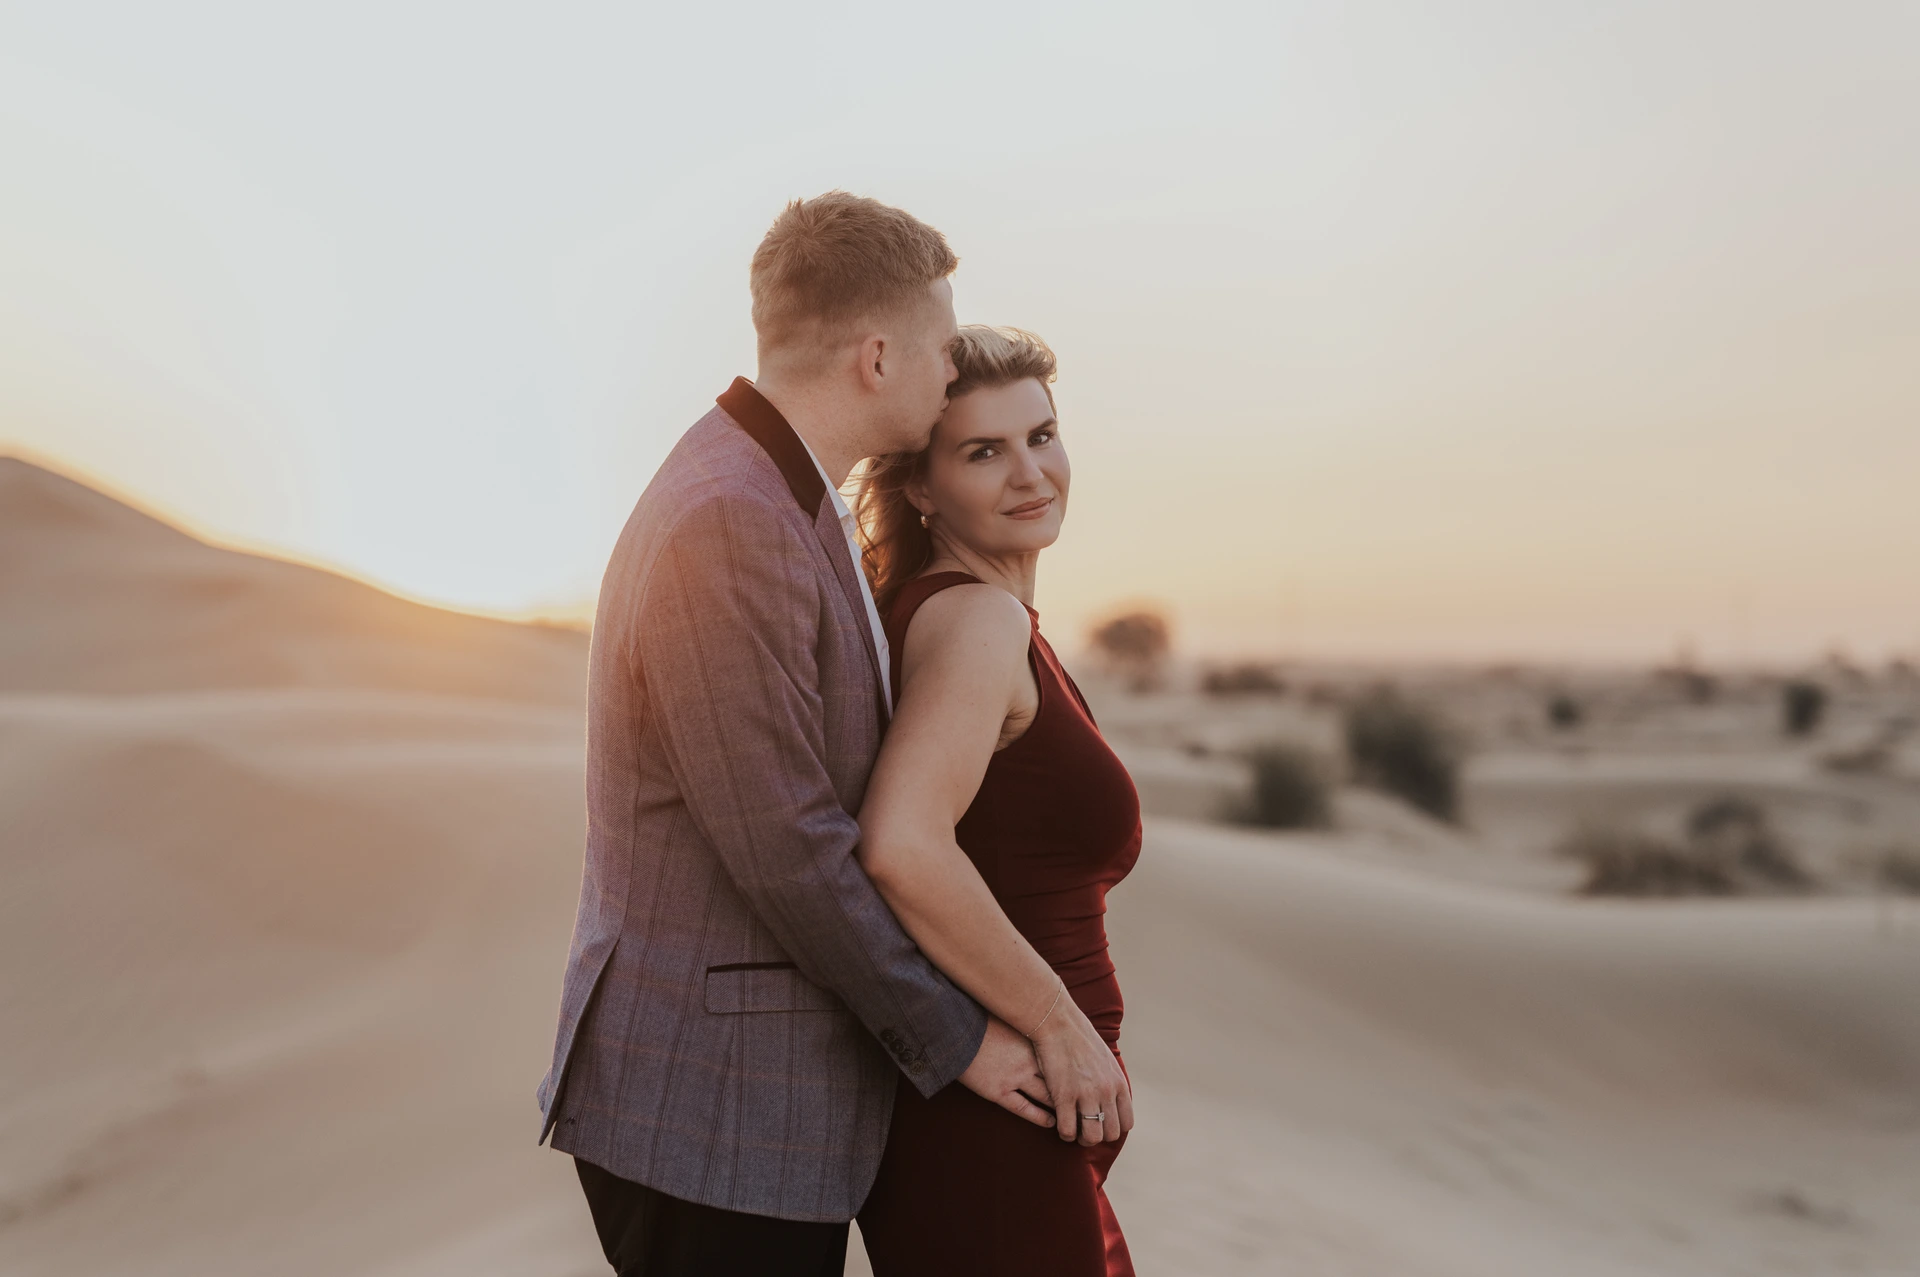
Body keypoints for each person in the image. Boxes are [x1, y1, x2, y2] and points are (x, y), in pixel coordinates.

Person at [535, 194, 1053, 1277]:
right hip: (709, 1105)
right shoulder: (730, 515)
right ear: (877, 355)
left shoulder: (776, 491)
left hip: (741, 1103)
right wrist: (957, 1037)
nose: (949, 367)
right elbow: (785, 841)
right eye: (940, 346)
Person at [852, 326, 1143, 1276]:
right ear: (921, 488)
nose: (1032, 473)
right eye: (985, 450)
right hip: (994, 1115)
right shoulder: (974, 620)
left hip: (1018, 1111)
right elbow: (900, 843)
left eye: (1042, 435)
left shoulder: (976, 616)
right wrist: (1062, 1026)